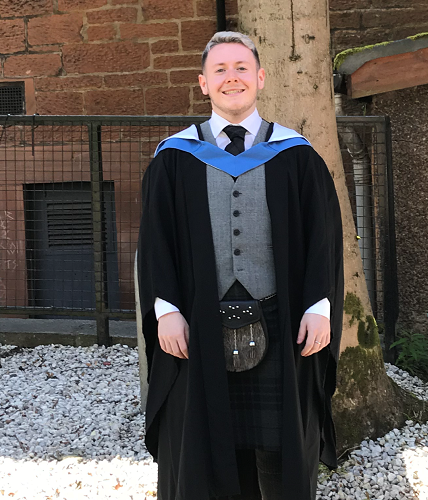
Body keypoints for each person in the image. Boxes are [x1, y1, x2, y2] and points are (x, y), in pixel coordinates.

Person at [137, 31, 344, 500]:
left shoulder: (296, 155)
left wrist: (320, 306)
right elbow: (154, 242)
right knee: (204, 438)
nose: (232, 78)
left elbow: (324, 238)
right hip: (197, 320)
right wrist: (166, 310)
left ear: (260, 77)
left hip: (281, 316)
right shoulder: (174, 158)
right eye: (220, 70)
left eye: (241, 68)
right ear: (204, 84)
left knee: (279, 442)